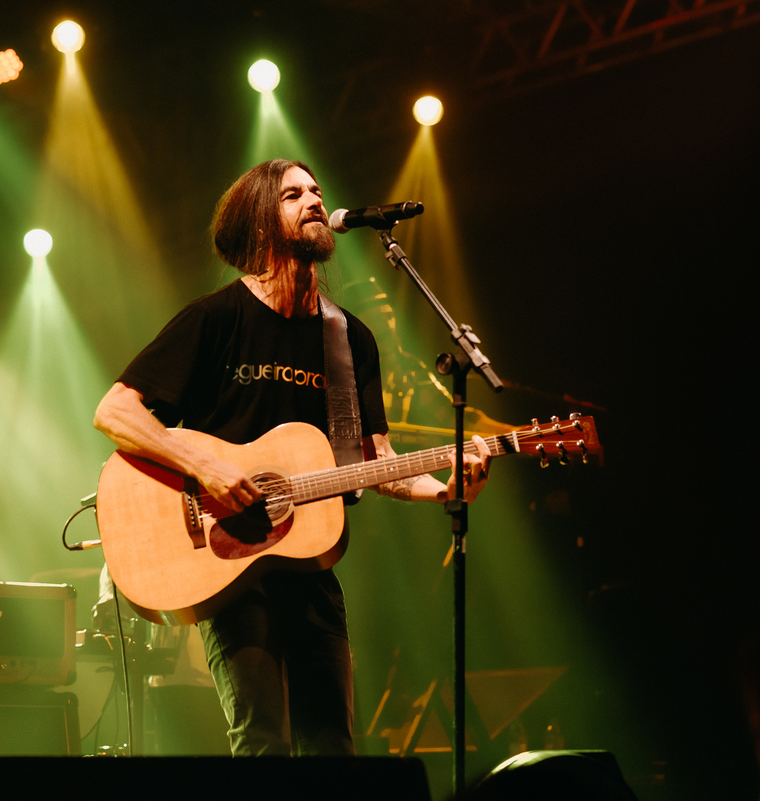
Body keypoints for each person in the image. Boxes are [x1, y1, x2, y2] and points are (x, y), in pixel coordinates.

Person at [93, 158, 491, 756]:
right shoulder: (216, 318)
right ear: (261, 222)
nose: (313, 201)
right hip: (228, 561)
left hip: (309, 566)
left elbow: (375, 461)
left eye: (316, 191)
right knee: (264, 742)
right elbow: (115, 411)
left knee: (333, 746)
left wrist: (446, 491)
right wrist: (206, 467)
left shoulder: (348, 338)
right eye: (292, 195)